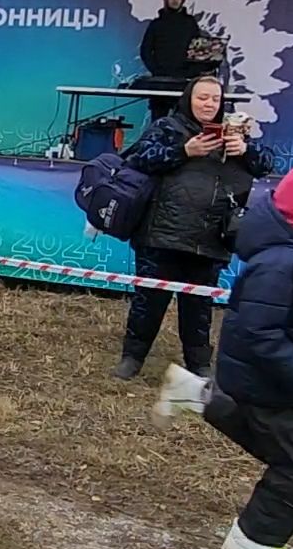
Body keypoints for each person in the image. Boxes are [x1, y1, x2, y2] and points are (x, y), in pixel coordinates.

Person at [155, 163, 293, 549]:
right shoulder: (279, 264)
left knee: (259, 435)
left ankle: (193, 393)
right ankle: (254, 539)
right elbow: (260, 333)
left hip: (274, 384)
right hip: (269, 384)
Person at [115, 76, 270, 380]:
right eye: (202, 98)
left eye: (215, 99)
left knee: (199, 308)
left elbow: (267, 164)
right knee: (148, 303)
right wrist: (184, 150)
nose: (209, 104)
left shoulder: (234, 133)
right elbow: (137, 159)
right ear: (188, 99)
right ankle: (132, 358)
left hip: (210, 237)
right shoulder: (167, 127)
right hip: (161, 234)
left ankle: (199, 364)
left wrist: (246, 151)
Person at [136, 0, 212, 121]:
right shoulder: (156, 24)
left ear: (183, 0)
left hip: (184, 79)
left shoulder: (190, 23)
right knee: (158, 119)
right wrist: (156, 70)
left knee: (184, 120)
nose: (175, 0)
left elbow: (197, 49)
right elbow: (145, 50)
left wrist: (191, 71)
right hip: (161, 81)